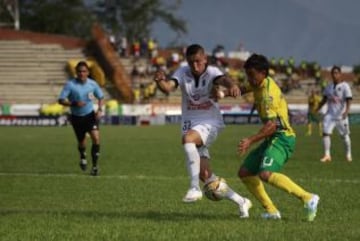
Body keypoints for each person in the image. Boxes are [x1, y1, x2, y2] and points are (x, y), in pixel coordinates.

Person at [153, 44, 252, 218]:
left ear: (204, 59)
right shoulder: (182, 72)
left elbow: (224, 80)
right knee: (206, 175)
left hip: (210, 122)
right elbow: (168, 88)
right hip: (190, 123)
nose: (195, 66)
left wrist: (233, 85)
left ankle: (193, 188)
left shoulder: (212, 71)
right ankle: (242, 202)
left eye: (198, 61)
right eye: (191, 63)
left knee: (188, 139)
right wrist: (160, 81)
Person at [236, 53, 319, 221]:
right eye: (248, 75)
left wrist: (250, 140)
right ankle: (271, 211)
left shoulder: (268, 95)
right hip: (272, 137)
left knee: (265, 173)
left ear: (263, 73)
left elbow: (273, 126)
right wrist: (225, 90)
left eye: (251, 75)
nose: (249, 79)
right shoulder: (259, 82)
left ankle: (308, 198)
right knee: (245, 172)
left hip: (282, 137)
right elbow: (244, 88)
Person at [58, 61, 104, 176]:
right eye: (79, 71)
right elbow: (61, 100)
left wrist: (100, 109)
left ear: (88, 72)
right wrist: (73, 103)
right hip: (76, 118)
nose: (82, 73)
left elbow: (101, 97)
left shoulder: (93, 84)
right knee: (82, 143)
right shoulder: (70, 85)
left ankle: (94, 167)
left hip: (90, 116)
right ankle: (83, 155)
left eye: (84, 71)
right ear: (76, 73)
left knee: (96, 139)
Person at [316, 65, 353, 162]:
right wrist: (318, 108)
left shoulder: (345, 86)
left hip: (341, 115)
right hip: (330, 115)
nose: (334, 75)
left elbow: (349, 100)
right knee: (325, 133)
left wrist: (346, 111)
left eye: (336, 73)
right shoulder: (329, 87)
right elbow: (324, 99)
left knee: (344, 136)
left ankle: (348, 154)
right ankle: (327, 155)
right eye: (333, 73)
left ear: (340, 74)